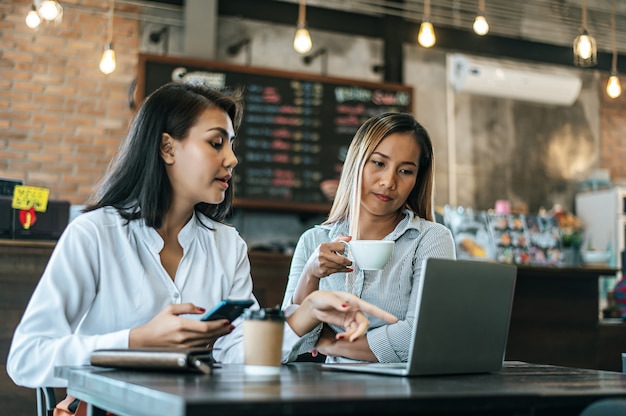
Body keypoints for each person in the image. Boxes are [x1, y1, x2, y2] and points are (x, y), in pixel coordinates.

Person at [7, 82, 397, 390]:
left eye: (232, 144)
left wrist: (308, 311)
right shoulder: (93, 235)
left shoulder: (227, 246)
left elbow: (235, 353)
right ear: (166, 147)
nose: (232, 159)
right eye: (216, 143)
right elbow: (27, 358)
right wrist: (138, 341)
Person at [282, 112, 456, 364]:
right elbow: (290, 345)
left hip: (405, 394)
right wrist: (310, 275)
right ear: (356, 163)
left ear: (417, 181)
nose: (388, 182)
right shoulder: (313, 241)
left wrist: (332, 345)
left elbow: (423, 337)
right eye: (378, 163)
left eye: (406, 171)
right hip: (330, 393)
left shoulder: (431, 239)